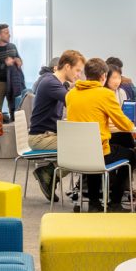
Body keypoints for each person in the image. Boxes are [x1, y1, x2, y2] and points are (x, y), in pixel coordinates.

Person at [64, 57, 136, 211]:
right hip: (97, 154)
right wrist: (132, 124)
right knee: (132, 155)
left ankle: (94, 203)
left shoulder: (71, 94)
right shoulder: (105, 94)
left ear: (86, 74)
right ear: (104, 76)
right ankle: (115, 202)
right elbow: (123, 124)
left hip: (74, 154)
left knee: (95, 147)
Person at [27, 50, 86, 198]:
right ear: (67, 67)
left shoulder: (56, 83)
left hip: (48, 135)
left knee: (83, 144)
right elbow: (73, 102)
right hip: (41, 138)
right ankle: (48, 172)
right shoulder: (50, 83)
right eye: (77, 70)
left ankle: (52, 175)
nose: (79, 75)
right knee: (83, 147)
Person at [0, 23, 22, 115]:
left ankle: (15, 127)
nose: (9, 35)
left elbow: (18, 59)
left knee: (15, 108)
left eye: (8, 32)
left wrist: (19, 61)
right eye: (6, 33)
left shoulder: (13, 47)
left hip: (14, 82)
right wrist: (5, 64)